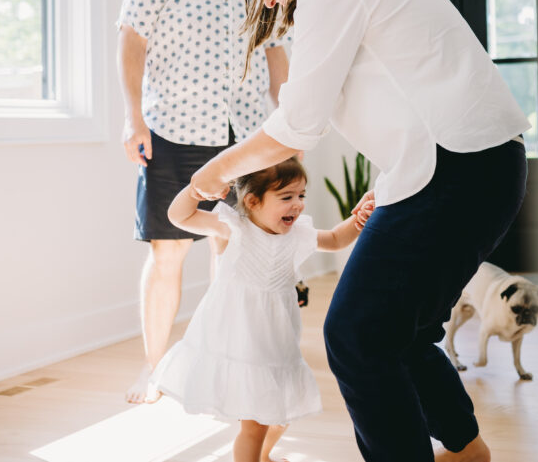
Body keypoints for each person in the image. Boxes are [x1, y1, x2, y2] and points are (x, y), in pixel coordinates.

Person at [190, 0, 530, 462]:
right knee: (404, 331)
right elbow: (393, 99)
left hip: (459, 167)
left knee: (354, 334)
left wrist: (214, 170)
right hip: (478, 167)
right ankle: (467, 451)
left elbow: (298, 127)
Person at [116, 0, 290, 404]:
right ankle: (154, 370)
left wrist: (286, 122)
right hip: (172, 130)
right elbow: (131, 41)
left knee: (231, 252)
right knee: (167, 254)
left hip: (242, 135)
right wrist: (133, 117)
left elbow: (276, 47)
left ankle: (218, 367)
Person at [151, 157, 375, 462]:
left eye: (301, 196)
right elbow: (180, 216)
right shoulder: (235, 227)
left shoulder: (298, 235)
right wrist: (196, 190)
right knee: (254, 424)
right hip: (238, 337)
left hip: (276, 339)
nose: (297, 205)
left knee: (280, 414)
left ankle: (265, 456)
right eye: (286, 197)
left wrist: (359, 218)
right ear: (252, 201)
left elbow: (336, 239)